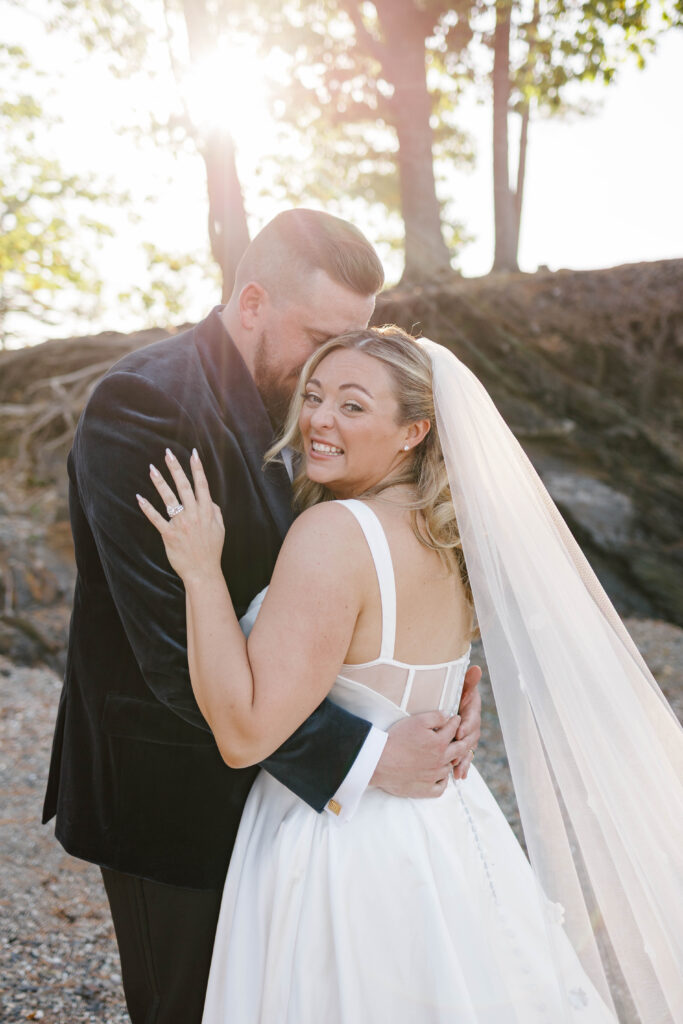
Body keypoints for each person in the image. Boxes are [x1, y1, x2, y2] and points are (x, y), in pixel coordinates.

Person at [139, 325, 683, 1023]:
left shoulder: (335, 533)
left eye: (353, 405)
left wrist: (199, 571)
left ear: (413, 431)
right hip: (444, 835)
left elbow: (244, 734)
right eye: (314, 395)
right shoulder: (449, 541)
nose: (318, 419)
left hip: (340, 849)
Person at [41, 211, 482, 1024]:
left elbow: (369, 575)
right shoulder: (144, 405)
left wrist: (437, 685)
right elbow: (171, 649)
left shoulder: (314, 405)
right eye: (317, 334)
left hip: (295, 813)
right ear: (250, 302)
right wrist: (367, 757)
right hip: (174, 793)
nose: (330, 364)